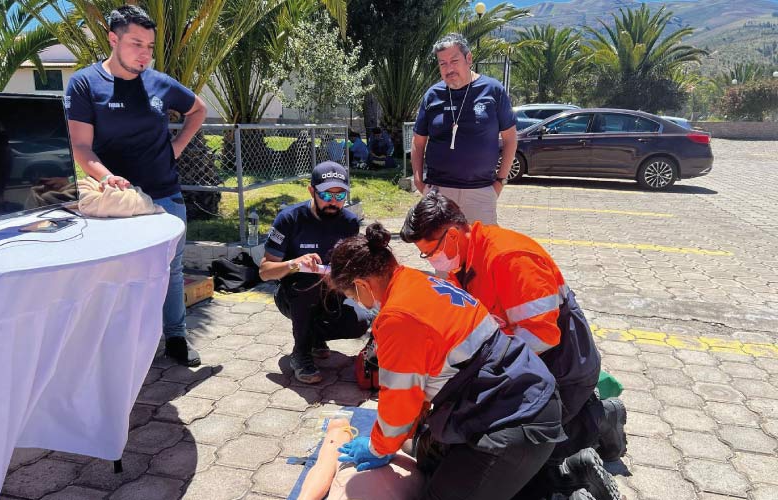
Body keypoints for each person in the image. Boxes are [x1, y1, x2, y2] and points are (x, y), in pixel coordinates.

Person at [400, 192, 626, 499]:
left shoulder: (509, 258)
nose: (431, 261)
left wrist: (478, 373)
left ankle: (596, 423)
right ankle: (594, 422)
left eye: (430, 253)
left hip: (563, 370)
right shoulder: (466, 262)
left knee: (512, 458)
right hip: (534, 367)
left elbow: (543, 337)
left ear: (452, 235)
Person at [329, 223, 569, 500]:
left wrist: (377, 448)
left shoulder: (397, 318)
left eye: (351, 296)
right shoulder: (419, 281)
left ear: (361, 285)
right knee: (433, 462)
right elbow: (418, 385)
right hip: (526, 397)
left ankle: (564, 488)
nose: (358, 303)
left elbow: (399, 400)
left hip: (514, 425)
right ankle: (560, 479)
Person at [65, 5, 207, 366]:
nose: (144, 53)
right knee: (115, 274)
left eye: (150, 46)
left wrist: (175, 148)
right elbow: (81, 145)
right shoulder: (85, 83)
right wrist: (105, 176)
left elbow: (198, 109)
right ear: (113, 39)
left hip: (164, 194)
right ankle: (119, 348)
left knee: (171, 270)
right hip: (116, 201)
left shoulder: (160, 83)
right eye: (135, 43)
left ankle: (176, 336)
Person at [259, 161, 372, 384]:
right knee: (308, 284)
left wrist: (342, 280)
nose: (333, 202)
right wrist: (294, 264)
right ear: (312, 190)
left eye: (340, 196)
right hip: (293, 295)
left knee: (361, 320)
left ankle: (313, 337)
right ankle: (301, 354)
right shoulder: (289, 218)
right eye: (326, 194)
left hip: (332, 293)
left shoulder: (349, 222)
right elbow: (264, 271)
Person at [411, 33, 517, 226]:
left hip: (481, 192)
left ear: (469, 59)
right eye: (442, 63)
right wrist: (419, 183)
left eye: (454, 61)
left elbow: (510, 139)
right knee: (442, 254)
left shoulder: (493, 90)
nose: (449, 68)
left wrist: (500, 182)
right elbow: (418, 142)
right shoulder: (433, 95)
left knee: (479, 252)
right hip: (438, 194)